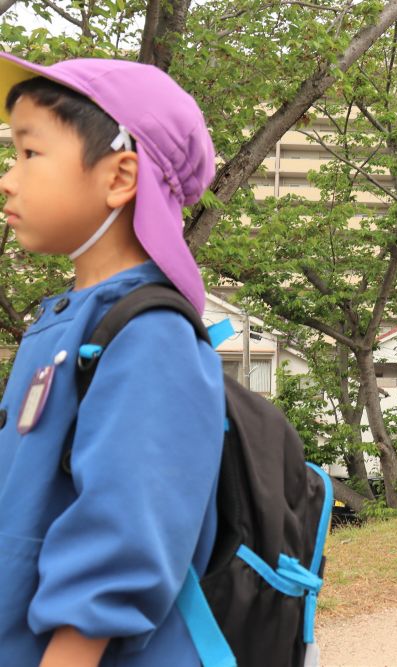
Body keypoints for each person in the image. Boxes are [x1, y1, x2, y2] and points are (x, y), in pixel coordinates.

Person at [0, 54, 225, 664]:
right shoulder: (65, 322)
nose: (8, 179)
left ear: (121, 177)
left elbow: (120, 542)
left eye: (29, 153)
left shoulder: (150, 333)